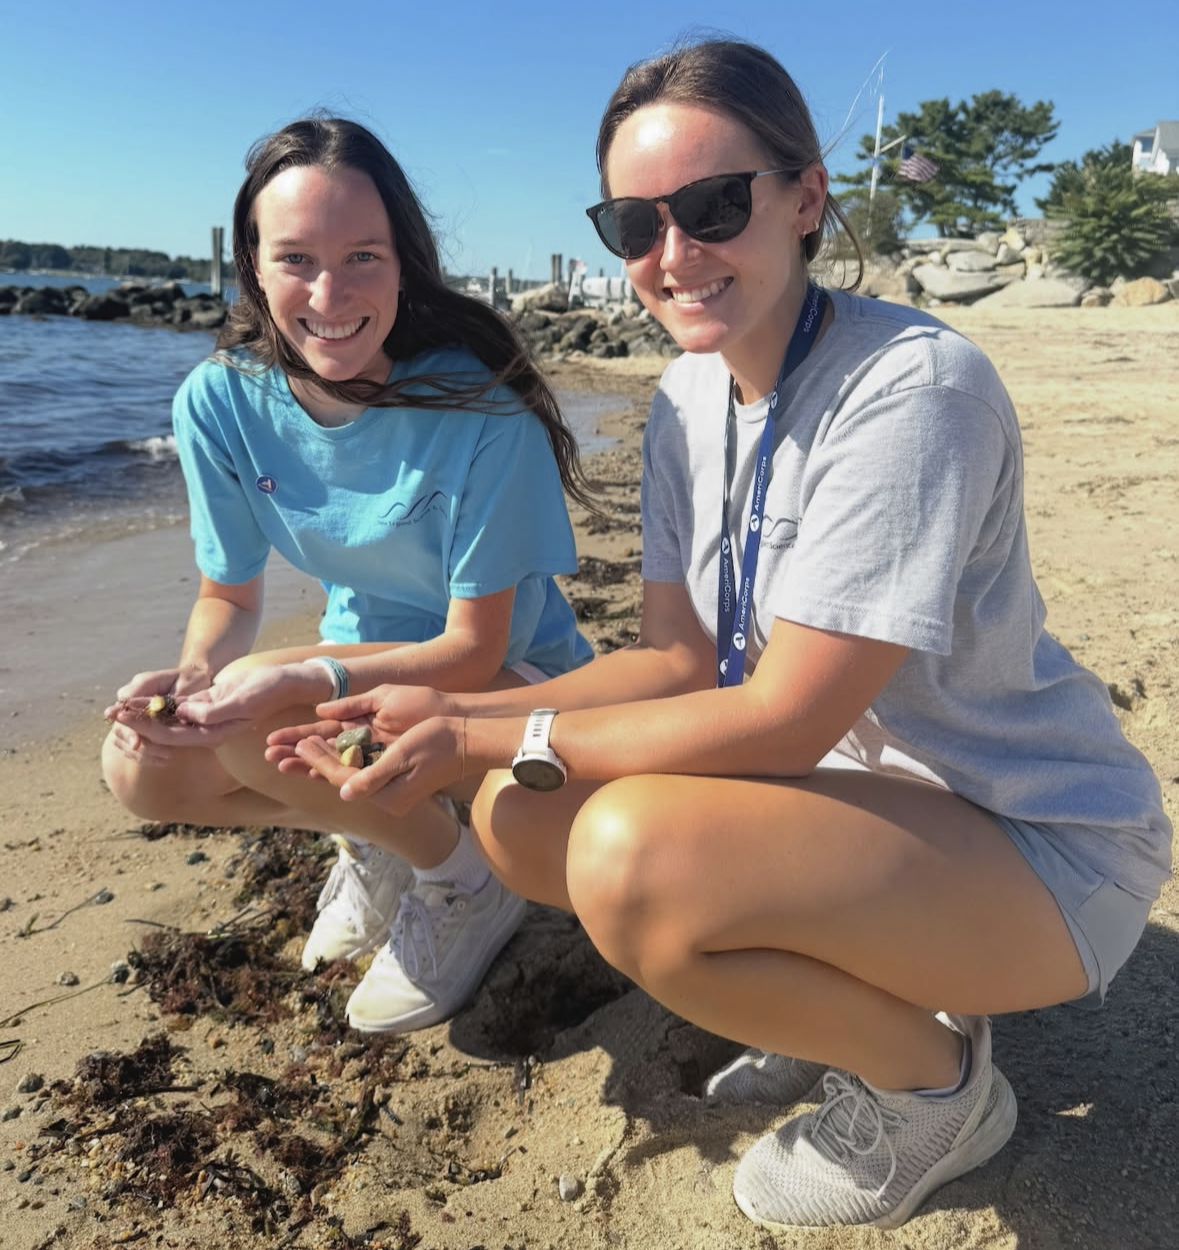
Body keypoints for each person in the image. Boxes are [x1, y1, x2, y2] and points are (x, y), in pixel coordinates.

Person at [265, 42, 1173, 1231]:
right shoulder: (692, 395)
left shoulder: (912, 390)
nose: (674, 255)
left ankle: (932, 1086)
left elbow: (789, 713)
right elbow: (678, 662)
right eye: (634, 224)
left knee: (629, 855)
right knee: (522, 813)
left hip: (1035, 842)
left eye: (712, 206)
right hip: (856, 804)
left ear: (806, 197)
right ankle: (860, 989)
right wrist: (449, 722)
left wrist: (503, 727)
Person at [102, 115, 595, 1036]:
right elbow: (226, 595)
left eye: (363, 256)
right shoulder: (220, 399)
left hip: (514, 686)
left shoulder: (479, 405)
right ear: (252, 267)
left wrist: (298, 678)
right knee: (143, 769)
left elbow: (473, 642)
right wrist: (192, 680)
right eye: (296, 259)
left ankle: (462, 879)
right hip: (358, 677)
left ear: (404, 261)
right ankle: (384, 835)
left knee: (267, 719)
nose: (330, 293)